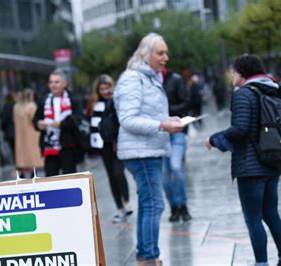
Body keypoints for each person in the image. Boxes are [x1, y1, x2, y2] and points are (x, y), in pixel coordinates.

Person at [205, 54, 281, 266]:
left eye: (233, 71)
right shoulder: (269, 88)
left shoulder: (243, 93)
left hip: (250, 166)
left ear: (242, 73)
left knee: (253, 218)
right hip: (271, 161)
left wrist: (214, 139)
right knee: (271, 214)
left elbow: (241, 129)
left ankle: (261, 263)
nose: (231, 75)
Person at [114, 32, 184, 266]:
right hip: (141, 152)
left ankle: (145, 256)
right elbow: (128, 119)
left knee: (148, 203)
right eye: (161, 52)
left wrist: (167, 119)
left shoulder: (149, 77)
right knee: (154, 204)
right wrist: (162, 125)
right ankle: (150, 258)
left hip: (149, 149)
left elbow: (146, 112)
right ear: (146, 54)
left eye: (166, 52)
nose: (166, 57)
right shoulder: (133, 78)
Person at [86, 74, 133, 223]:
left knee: (119, 172)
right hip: (103, 144)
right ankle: (119, 208)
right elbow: (92, 124)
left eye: (107, 88)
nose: (105, 91)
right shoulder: (95, 104)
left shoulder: (117, 102)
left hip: (117, 142)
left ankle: (126, 201)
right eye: (102, 89)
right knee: (111, 176)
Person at [33, 69, 82, 177]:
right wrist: (38, 124)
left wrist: (61, 124)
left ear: (64, 84)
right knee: (51, 178)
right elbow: (36, 119)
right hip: (50, 146)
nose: (53, 85)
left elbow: (78, 120)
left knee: (69, 178)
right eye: (51, 82)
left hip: (68, 145)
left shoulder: (73, 100)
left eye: (56, 82)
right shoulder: (43, 100)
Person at [161, 69, 192, 222]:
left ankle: (183, 205)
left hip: (176, 132)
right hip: (159, 135)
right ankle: (174, 207)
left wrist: (167, 113)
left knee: (175, 167)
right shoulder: (146, 81)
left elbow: (186, 103)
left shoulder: (175, 79)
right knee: (164, 176)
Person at [14, 89, 44, 178]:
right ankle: (32, 171)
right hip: (32, 132)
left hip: (20, 133)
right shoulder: (32, 106)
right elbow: (34, 120)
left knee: (22, 153)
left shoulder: (16, 107)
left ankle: (22, 171)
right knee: (32, 152)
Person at [1, 92, 16, 163]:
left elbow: (3, 121)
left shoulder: (5, 107)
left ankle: (18, 167)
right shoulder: (15, 106)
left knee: (13, 150)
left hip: (9, 132)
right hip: (16, 131)